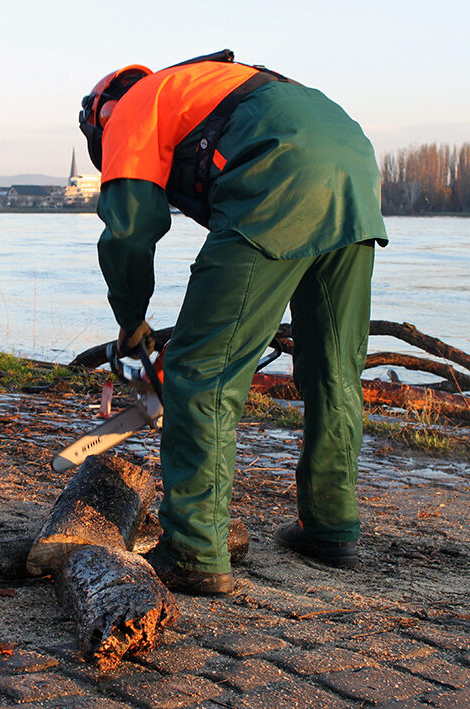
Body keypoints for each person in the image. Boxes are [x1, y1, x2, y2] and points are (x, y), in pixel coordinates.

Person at [78, 51, 387, 596]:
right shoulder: (201, 86)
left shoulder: (131, 110)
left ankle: (194, 550)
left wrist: (134, 328)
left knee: (202, 374)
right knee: (333, 367)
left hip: (279, 173)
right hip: (354, 171)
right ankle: (331, 525)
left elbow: (129, 232)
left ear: (100, 120)